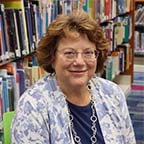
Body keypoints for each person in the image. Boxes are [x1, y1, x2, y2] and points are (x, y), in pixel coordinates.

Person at [11, 10, 136, 144]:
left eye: (88, 53)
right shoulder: (33, 105)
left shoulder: (113, 94)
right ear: (52, 57)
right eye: (70, 53)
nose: (80, 62)